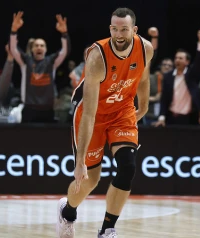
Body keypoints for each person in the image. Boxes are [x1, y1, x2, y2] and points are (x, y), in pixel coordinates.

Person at [56, 7, 154, 238]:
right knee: (89, 181)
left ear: (134, 29)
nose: (119, 34)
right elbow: (89, 113)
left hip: (122, 110)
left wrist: (145, 106)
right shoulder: (97, 57)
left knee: (128, 167)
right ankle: (67, 211)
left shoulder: (145, 48)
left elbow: (144, 77)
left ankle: (107, 228)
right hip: (94, 115)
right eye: (114, 29)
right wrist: (79, 161)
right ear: (110, 28)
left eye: (124, 29)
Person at [10, 11, 70, 123]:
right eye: (36, 45)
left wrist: (64, 33)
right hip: (29, 109)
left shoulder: (51, 62)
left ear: (46, 49)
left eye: (42, 45)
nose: (39, 47)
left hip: (47, 110)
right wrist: (13, 31)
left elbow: (64, 51)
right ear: (32, 49)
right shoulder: (25, 62)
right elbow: (13, 49)